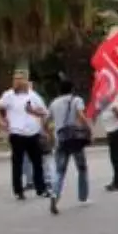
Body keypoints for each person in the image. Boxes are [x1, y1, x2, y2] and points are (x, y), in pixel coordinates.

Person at [0, 70, 47, 199]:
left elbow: (44, 112)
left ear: (26, 81)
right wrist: (1, 122)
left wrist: (34, 112)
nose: (17, 81)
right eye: (15, 79)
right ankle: (18, 191)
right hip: (17, 133)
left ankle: (40, 188)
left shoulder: (33, 95)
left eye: (20, 79)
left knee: (37, 162)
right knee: (17, 163)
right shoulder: (9, 95)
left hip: (33, 133)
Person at [47, 79, 91, 214]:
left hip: (61, 140)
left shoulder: (54, 103)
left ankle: (55, 194)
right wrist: (88, 129)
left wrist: (50, 135)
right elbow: (81, 115)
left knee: (60, 171)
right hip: (75, 138)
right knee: (82, 168)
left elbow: (46, 121)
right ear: (72, 89)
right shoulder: (77, 100)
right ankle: (83, 197)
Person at [98, 86, 118, 192]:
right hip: (111, 127)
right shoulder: (105, 93)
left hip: (116, 126)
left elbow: (116, 110)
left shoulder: (113, 93)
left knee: (116, 155)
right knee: (115, 155)